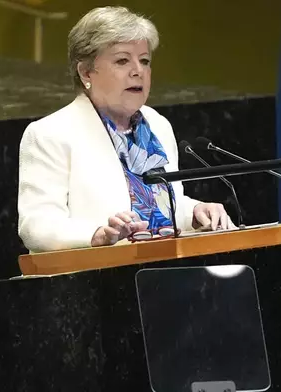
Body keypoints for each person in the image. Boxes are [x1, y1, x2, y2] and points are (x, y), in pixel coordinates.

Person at [18, 6, 234, 253]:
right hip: (88, 281)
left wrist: (194, 212)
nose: (137, 70)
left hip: (164, 271)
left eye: (144, 61)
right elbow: (36, 226)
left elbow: (160, 208)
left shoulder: (157, 125)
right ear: (86, 71)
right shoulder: (51, 134)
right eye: (122, 60)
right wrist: (96, 235)